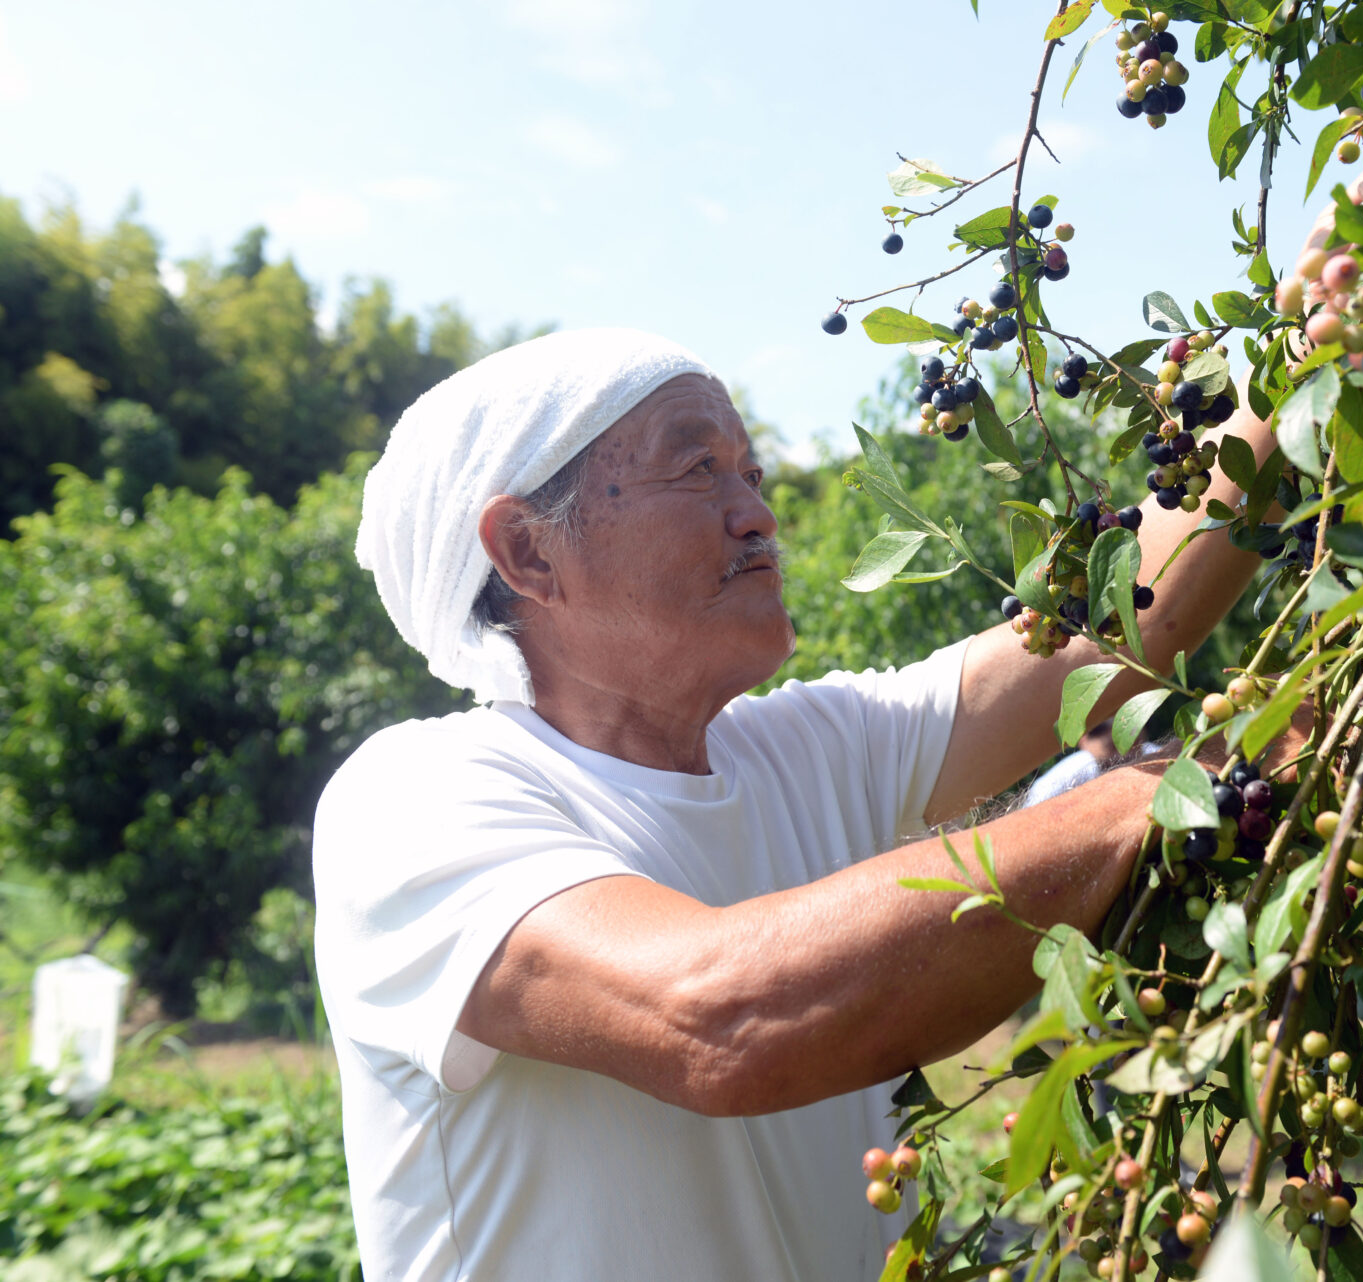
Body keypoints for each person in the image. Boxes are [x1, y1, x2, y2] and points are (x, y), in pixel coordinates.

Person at [314, 326, 1303, 1281]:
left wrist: (1303, 353)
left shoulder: (809, 746)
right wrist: (1182, 792)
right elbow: (721, 1017)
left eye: (748, 470)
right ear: (528, 554)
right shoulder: (417, 799)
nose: (757, 514)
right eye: (697, 469)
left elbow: (1127, 625)